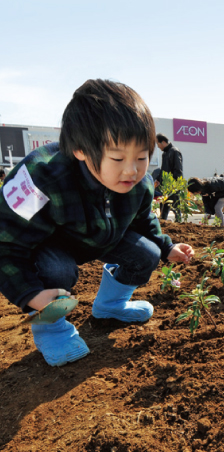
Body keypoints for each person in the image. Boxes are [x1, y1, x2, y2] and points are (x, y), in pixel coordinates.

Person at [0, 79, 194, 367]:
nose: (132, 170)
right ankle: (50, 328)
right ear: (81, 149)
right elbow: (7, 243)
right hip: (49, 245)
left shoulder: (139, 183)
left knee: (146, 256)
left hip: (101, 236)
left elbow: (143, 221)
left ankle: (110, 307)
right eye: (117, 158)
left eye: (142, 157)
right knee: (58, 270)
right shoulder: (40, 179)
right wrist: (30, 295)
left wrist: (166, 247)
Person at [156, 133, 183, 222]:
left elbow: (178, 169)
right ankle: (163, 221)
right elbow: (163, 169)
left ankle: (179, 222)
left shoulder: (174, 151)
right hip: (165, 185)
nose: (158, 146)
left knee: (175, 204)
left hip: (173, 184)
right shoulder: (165, 154)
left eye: (158, 144)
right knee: (165, 204)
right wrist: (158, 179)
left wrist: (175, 185)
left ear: (163, 142)